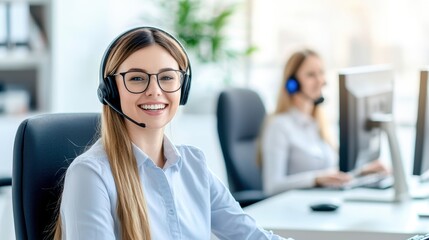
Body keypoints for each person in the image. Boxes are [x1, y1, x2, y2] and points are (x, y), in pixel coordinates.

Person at [52, 26, 291, 240]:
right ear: (111, 91)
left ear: (182, 88)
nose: (155, 91)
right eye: (137, 78)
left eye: (167, 77)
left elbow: (252, 236)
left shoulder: (193, 165)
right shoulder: (92, 175)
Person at [260, 49, 387, 196]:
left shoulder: (318, 124)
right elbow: (272, 186)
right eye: (311, 75)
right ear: (292, 83)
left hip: (322, 202)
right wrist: (315, 179)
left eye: (321, 73)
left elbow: (331, 172)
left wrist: (360, 172)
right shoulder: (279, 126)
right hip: (294, 209)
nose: (321, 80)